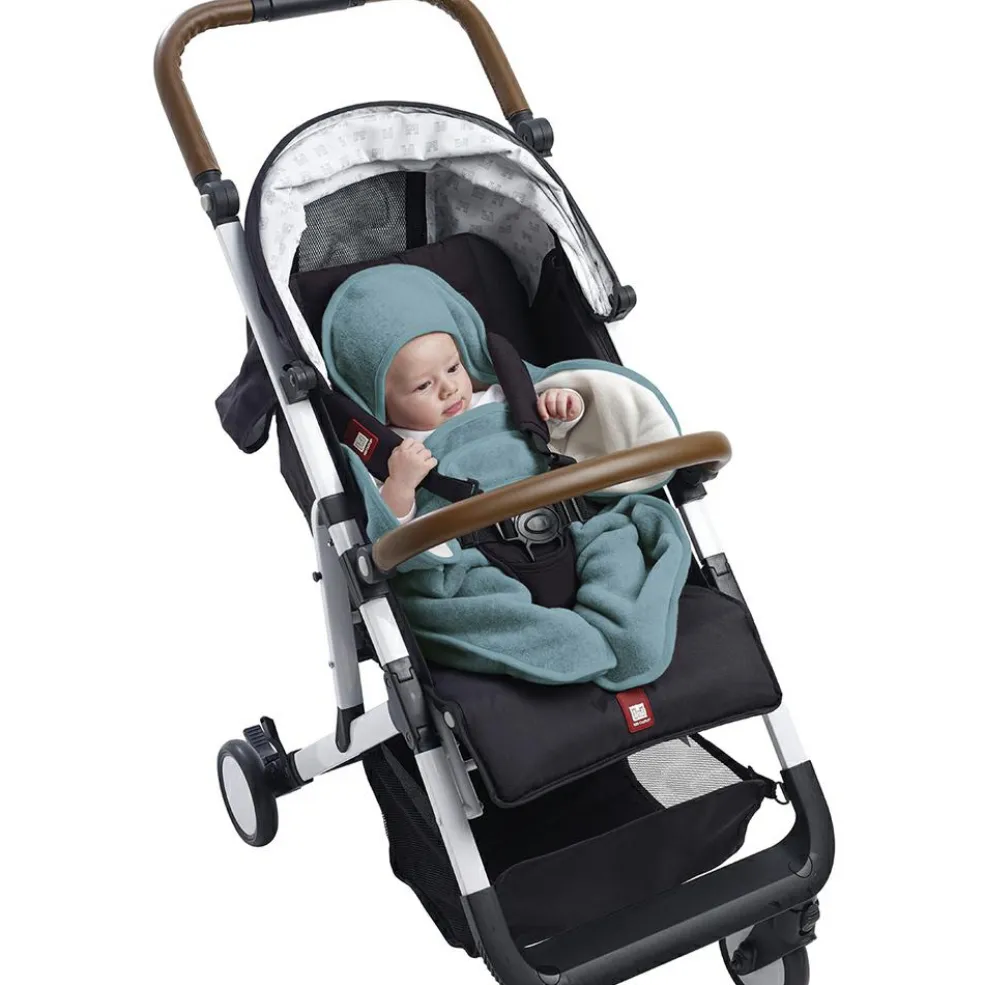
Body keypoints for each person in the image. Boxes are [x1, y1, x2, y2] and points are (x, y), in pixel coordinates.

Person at [378, 329, 583, 521]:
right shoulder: (394, 451)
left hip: (552, 505)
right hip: (468, 535)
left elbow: (553, 434)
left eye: (453, 368)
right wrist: (400, 485)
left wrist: (560, 406)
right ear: (382, 406)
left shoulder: (499, 397)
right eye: (423, 386)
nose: (450, 388)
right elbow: (389, 526)